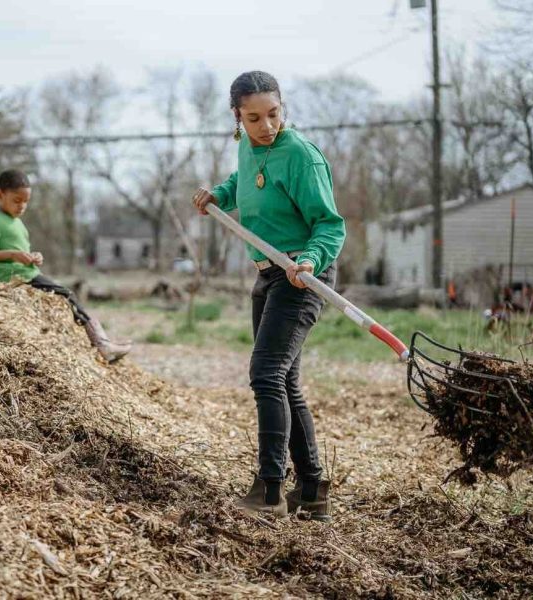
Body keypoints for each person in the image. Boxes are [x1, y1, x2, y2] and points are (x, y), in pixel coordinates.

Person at [192, 71, 346, 519]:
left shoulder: (300, 155)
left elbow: (330, 224)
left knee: (265, 374)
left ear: (284, 108)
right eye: (254, 117)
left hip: (301, 275)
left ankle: (270, 489)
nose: (266, 125)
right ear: (237, 118)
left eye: (274, 114)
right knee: (284, 381)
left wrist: (311, 260)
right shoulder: (249, 146)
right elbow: (244, 178)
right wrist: (218, 194)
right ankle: (313, 489)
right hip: (268, 273)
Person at [0, 169, 131, 362]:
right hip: (16, 277)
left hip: (28, 271)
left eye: (26, 201)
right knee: (67, 294)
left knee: (64, 296)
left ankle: (97, 342)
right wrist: (13, 255)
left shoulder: (17, 223)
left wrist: (33, 256)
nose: (22, 206)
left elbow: (19, 249)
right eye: (16, 200)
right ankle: (102, 344)